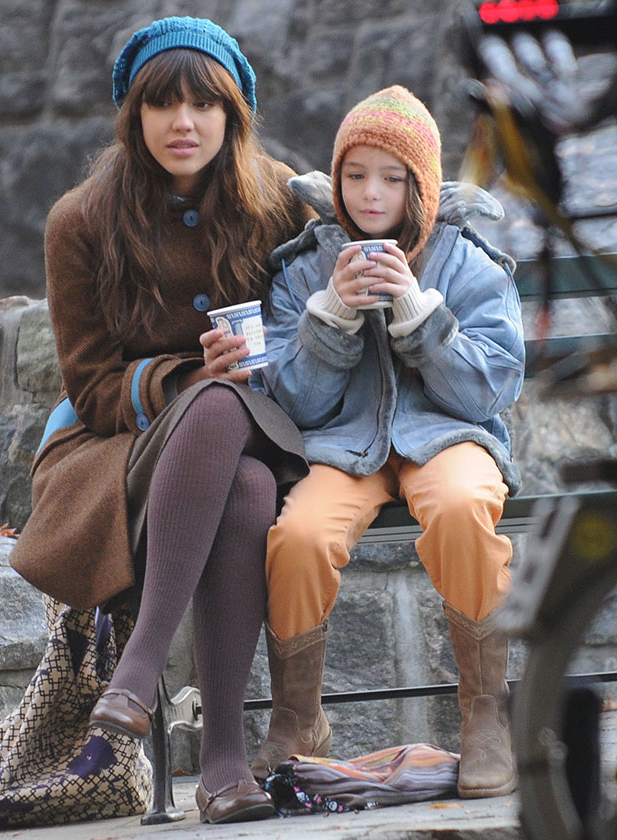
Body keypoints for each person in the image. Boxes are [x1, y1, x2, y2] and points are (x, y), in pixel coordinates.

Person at [8, 16, 315, 825]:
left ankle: (159, 700)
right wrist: (188, 377)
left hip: (252, 432)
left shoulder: (277, 202)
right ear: (133, 115)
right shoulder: (81, 220)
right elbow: (92, 383)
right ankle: (206, 749)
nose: (184, 123)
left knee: (240, 459)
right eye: (163, 105)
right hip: (113, 449)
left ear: (233, 114)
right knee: (228, 443)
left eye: (204, 105)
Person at [250, 85, 525, 799]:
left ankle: (486, 712)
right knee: (299, 534)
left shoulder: (468, 262)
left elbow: (487, 390)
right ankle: (298, 716)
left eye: (393, 177)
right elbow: (292, 403)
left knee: (465, 508)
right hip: (343, 447)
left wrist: (415, 309)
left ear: (421, 184)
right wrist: (331, 314)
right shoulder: (305, 265)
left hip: (447, 435)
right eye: (356, 174)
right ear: (336, 179)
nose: (372, 194)